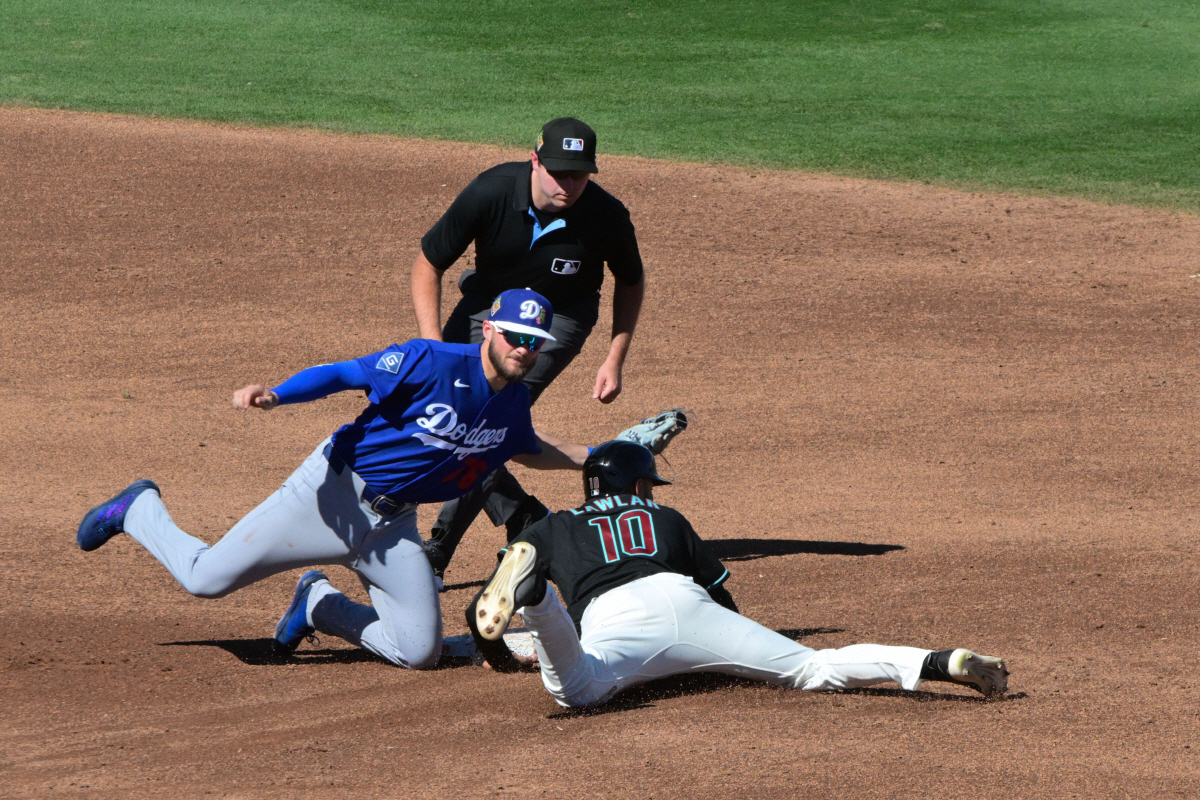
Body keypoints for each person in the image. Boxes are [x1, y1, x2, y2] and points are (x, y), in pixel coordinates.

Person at [75, 289, 589, 670]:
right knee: (204, 579)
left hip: (391, 530)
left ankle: (319, 605)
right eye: (516, 336)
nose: (524, 349)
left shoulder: (512, 402)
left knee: (419, 653)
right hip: (328, 497)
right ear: (490, 330)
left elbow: (532, 448)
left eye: (534, 342)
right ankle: (139, 509)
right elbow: (345, 373)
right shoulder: (429, 361)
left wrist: (602, 457)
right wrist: (278, 395)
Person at [465, 441, 1010, 707]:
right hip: (687, 600)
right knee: (814, 667)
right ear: (636, 486)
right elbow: (719, 595)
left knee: (578, 691)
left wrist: (501, 659)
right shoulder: (665, 517)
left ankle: (538, 602)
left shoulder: (553, 527)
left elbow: (477, 615)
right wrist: (732, 642)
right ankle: (937, 662)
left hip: (614, 618)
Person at [411, 117, 647, 582]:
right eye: (558, 172)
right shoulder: (491, 191)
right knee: (437, 406)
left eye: (579, 174)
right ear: (534, 161)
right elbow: (429, 263)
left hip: (559, 317)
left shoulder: (605, 215)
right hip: (491, 305)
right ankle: (522, 512)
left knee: (486, 418)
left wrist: (614, 358)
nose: (569, 185)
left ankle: (439, 550)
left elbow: (631, 281)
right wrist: (432, 344)